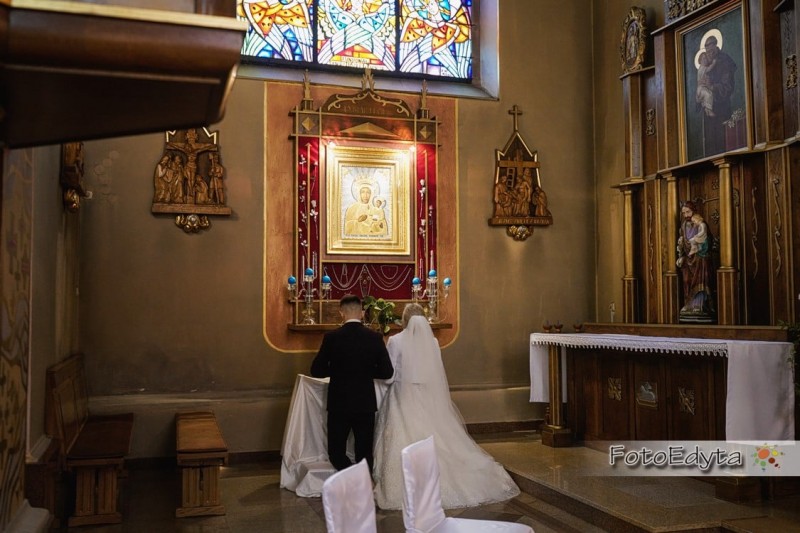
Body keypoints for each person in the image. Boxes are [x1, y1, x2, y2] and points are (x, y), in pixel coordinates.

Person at [373, 303, 520, 509]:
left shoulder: (396, 341)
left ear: (404, 321)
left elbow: (389, 376)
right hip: (428, 398)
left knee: (404, 438)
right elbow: (435, 372)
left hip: (402, 397)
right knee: (435, 437)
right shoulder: (432, 342)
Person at [310, 294, 394, 473]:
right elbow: (387, 372)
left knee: (336, 452)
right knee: (364, 452)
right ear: (362, 313)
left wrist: (337, 370)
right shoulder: (374, 337)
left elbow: (316, 370)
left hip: (339, 403)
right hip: (365, 403)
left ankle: (353, 478)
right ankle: (363, 481)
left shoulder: (331, 337)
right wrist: (366, 371)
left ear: (341, 313)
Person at [697, 35, 736, 156]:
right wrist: (699, 95)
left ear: (716, 45)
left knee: (723, 143)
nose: (709, 52)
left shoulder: (725, 60)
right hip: (708, 113)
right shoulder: (705, 62)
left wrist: (712, 87)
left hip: (722, 109)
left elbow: (728, 86)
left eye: (711, 48)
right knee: (710, 145)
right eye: (707, 50)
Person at [676, 201, 715, 321]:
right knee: (687, 281)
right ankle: (689, 305)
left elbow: (707, 241)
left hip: (700, 259)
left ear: (693, 211)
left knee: (700, 280)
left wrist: (699, 247)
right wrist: (681, 255)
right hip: (688, 260)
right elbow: (683, 243)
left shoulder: (701, 224)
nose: (686, 215)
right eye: (683, 213)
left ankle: (700, 305)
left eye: (688, 212)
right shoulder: (684, 226)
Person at [695, 50, 716, 117]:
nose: (705, 60)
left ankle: (707, 110)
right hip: (701, 88)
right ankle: (708, 109)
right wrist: (714, 63)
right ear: (700, 60)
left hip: (703, 87)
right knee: (708, 94)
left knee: (710, 94)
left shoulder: (702, 68)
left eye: (706, 59)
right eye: (703, 59)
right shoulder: (702, 68)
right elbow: (709, 69)